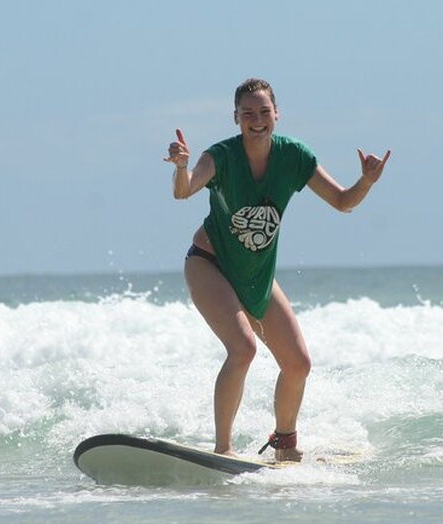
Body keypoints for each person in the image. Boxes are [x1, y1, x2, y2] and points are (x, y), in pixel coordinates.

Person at [164, 78, 390, 462]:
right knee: (243, 348)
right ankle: (224, 449)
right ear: (235, 118)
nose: (257, 120)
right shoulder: (220, 156)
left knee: (299, 364)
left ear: (276, 114)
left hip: (256, 275)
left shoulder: (294, 157)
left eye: (264, 112)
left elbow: (342, 201)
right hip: (210, 265)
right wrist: (182, 168)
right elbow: (184, 191)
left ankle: (284, 445)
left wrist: (366, 182)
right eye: (248, 113)